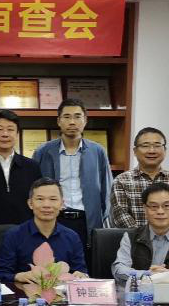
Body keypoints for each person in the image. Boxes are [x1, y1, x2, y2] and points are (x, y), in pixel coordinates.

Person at [32, 98, 112, 245]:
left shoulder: (97, 151)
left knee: (86, 258)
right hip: (55, 218)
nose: (72, 122)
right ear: (58, 121)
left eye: (77, 117)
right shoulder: (42, 152)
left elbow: (106, 191)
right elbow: (34, 189)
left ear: (85, 120)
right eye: (67, 117)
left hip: (86, 220)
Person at [0, 178, 88, 284]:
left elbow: (81, 271)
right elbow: (1, 274)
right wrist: (18, 276)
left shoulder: (72, 237)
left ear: (62, 204)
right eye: (40, 199)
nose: (46, 205)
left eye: (53, 199)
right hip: (23, 292)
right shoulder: (13, 236)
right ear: (30, 203)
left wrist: (81, 275)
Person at [111, 127, 169, 228]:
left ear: (165, 150)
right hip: (134, 237)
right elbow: (121, 216)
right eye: (145, 146)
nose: (151, 151)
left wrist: (168, 236)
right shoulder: (121, 181)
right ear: (135, 151)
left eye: (157, 145)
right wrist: (145, 236)